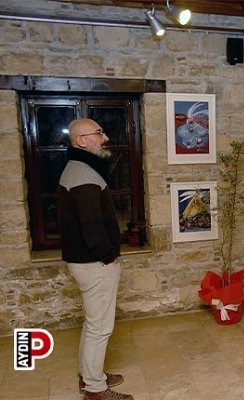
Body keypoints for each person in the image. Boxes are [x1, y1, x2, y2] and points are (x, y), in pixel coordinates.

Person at [57, 118, 133, 400]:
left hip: (86, 261)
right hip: (94, 263)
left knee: (93, 324)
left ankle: (90, 374)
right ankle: (95, 388)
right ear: (81, 141)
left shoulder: (79, 168)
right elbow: (92, 226)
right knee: (100, 327)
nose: (105, 138)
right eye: (99, 133)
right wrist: (108, 256)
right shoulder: (83, 175)